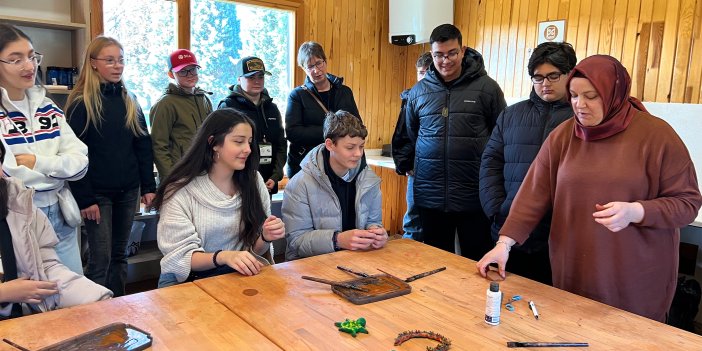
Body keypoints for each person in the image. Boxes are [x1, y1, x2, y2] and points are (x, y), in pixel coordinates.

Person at [477, 55, 702, 322]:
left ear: (613, 94)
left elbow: (687, 203)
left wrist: (637, 211)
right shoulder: (563, 136)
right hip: (575, 268)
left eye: (591, 96)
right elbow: (533, 194)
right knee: (574, 328)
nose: (579, 105)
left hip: (634, 274)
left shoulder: (656, 136)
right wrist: (505, 244)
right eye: (573, 95)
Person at [478, 42, 577, 285]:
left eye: (553, 75)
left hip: (559, 236)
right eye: (538, 77)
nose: (545, 83)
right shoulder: (512, 114)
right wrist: (496, 209)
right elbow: (490, 162)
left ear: (570, 74)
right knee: (507, 299)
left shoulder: (581, 118)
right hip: (509, 229)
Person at [405, 24, 506, 259]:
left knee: (476, 262)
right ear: (432, 55)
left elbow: (500, 137)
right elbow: (412, 134)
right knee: (436, 263)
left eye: (452, 53)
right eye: (439, 54)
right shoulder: (418, 91)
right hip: (431, 196)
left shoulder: (487, 89)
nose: (445, 60)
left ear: (463, 51)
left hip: (474, 196)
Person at [66, 36, 156, 297]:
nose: (118, 66)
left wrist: (148, 187)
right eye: (110, 60)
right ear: (93, 63)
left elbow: (143, 145)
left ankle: (118, 306)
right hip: (97, 196)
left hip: (128, 191)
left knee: (120, 255)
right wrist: (85, 200)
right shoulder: (81, 103)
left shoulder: (130, 100)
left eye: (121, 60)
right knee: (100, 258)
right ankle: (96, 312)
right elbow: (74, 155)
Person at [153, 108, 285, 287]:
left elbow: (254, 251)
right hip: (186, 281)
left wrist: (266, 237)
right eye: (238, 141)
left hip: (235, 276)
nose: (247, 149)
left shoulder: (253, 181)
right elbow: (180, 258)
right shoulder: (180, 190)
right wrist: (224, 256)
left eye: (250, 142)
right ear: (213, 143)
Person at [0, 24, 87, 275]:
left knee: (75, 291)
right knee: (35, 298)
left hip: (61, 212)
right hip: (17, 214)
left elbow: (80, 161)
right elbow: (10, 173)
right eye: (15, 60)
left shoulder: (48, 106)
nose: (29, 66)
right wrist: (58, 166)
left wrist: (37, 162)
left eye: (31, 56)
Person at [0, 140, 112, 319]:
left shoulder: (21, 208)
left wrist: (98, 298)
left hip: (23, 321)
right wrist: (4, 292)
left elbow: (47, 267)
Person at [283, 110, 387, 261]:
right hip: (311, 266)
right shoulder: (300, 184)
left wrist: (376, 232)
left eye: (362, 146)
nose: (358, 154)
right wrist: (337, 240)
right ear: (330, 145)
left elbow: (374, 222)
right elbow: (296, 241)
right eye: (350, 147)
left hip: (357, 261)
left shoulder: (369, 180)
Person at [285, 41, 360, 178]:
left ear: (325, 61)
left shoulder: (344, 92)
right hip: (307, 165)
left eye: (319, 63)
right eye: (310, 66)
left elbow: (357, 126)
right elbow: (293, 132)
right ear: (303, 69)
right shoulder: (297, 95)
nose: (316, 70)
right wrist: (332, 132)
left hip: (340, 165)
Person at [218, 56, 286, 194]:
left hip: (268, 182)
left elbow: (280, 144)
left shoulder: (272, 108)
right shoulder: (228, 106)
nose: (257, 81)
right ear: (239, 79)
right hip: (238, 184)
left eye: (260, 77)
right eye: (251, 77)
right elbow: (220, 147)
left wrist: (276, 175)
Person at [150, 49, 213, 181]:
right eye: (183, 71)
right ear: (171, 74)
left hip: (204, 173)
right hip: (178, 175)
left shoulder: (204, 99)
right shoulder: (165, 104)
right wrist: (171, 179)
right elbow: (159, 146)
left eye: (193, 69)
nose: (189, 75)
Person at [392, 51, 432, 241]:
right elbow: (402, 134)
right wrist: (406, 164)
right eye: (420, 72)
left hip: (438, 171)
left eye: (427, 72)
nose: (423, 77)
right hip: (416, 169)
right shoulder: (411, 96)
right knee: (413, 220)